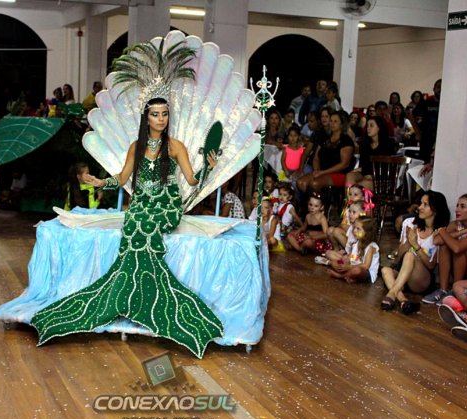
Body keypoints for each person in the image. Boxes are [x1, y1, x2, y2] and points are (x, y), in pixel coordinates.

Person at [30, 96, 223, 358]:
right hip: (141, 204)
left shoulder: (176, 146)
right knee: (133, 223)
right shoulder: (136, 146)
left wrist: (207, 169)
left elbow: (191, 180)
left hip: (166, 205)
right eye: (155, 114)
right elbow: (122, 178)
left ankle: (141, 297)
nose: (161, 119)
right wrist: (101, 183)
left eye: (165, 114)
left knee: (143, 223)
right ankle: (132, 295)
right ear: (147, 118)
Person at [380, 190, 450, 314]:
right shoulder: (410, 223)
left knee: (410, 255)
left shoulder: (440, 232)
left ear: (435, 210)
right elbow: (399, 256)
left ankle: (391, 294)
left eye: (425, 204)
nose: (420, 207)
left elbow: (431, 265)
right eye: (421, 203)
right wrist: (408, 241)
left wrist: (415, 245)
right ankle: (402, 300)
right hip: (404, 275)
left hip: (421, 279)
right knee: (385, 270)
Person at [424, 194, 467, 304]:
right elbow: (437, 241)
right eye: (457, 206)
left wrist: (442, 232)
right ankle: (443, 289)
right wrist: (465, 231)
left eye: (462, 206)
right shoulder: (456, 224)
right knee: (445, 245)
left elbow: (457, 248)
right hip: (463, 268)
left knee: (462, 248)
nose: (457, 210)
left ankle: (455, 291)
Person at [297, 111, 355, 193]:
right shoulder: (325, 138)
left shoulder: (346, 140)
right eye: (331, 121)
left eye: (335, 121)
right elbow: (316, 158)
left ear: (341, 124)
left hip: (338, 173)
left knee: (314, 183)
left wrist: (323, 172)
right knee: (300, 182)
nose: (332, 123)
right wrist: (317, 170)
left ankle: (319, 201)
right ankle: (310, 200)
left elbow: (344, 164)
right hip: (322, 171)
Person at [345, 115, 395, 190]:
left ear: (379, 128)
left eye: (371, 126)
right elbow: (363, 164)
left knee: (357, 186)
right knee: (350, 175)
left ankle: (353, 196)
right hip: (365, 174)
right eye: (367, 126)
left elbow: (388, 167)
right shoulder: (365, 145)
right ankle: (349, 197)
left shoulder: (387, 145)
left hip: (381, 178)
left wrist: (372, 175)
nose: (368, 128)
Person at [324, 217, 380, 284]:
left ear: (367, 233)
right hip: (353, 266)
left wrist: (349, 267)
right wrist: (343, 263)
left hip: (367, 273)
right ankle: (352, 277)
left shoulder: (371, 246)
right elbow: (351, 257)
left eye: (358, 229)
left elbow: (366, 266)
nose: (354, 231)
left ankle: (340, 276)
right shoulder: (357, 243)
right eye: (354, 228)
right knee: (338, 262)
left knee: (357, 270)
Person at [268, 183, 302, 252]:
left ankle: (273, 239)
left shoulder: (289, 207)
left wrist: (302, 227)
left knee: (274, 221)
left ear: (290, 197)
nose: (281, 197)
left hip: (285, 228)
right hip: (281, 227)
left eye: (284, 195)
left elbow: (296, 217)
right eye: (280, 194)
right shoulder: (280, 204)